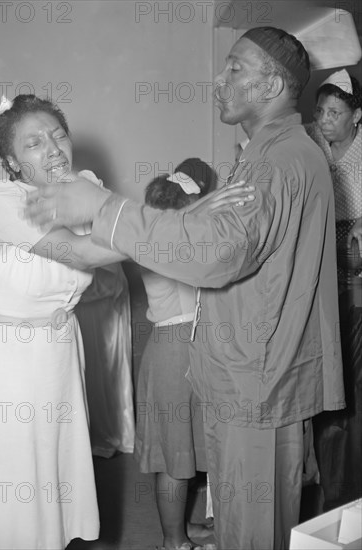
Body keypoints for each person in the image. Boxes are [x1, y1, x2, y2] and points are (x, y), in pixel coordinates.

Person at [24, 27, 346, 550]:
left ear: (271, 87)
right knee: (246, 524)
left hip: (256, 385)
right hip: (248, 377)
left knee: (254, 532)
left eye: (235, 68)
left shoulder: (280, 159)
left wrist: (103, 208)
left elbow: (218, 253)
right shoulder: (272, 152)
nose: (219, 79)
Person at [0, 95, 103, 550]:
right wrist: (180, 229)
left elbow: (108, 268)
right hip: (13, 360)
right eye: (35, 143)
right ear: (13, 163)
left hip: (60, 353)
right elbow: (78, 252)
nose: (54, 149)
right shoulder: (2, 199)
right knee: (16, 482)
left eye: (58, 135)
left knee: (54, 472)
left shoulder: (85, 188)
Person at [135, 159, 219, 550]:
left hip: (183, 348)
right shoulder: (160, 246)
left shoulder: (164, 240)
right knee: (175, 457)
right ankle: (172, 541)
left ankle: (183, 529)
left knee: (185, 450)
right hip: (174, 351)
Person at [305, 69, 362, 510]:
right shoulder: (308, 145)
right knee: (326, 385)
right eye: (321, 110)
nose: (325, 120)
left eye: (336, 113)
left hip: (357, 286)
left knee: (353, 390)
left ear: (357, 117)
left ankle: (347, 491)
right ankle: (330, 486)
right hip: (319, 278)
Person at [75, 261, 135, 458]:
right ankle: (89, 434)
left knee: (107, 367)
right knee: (88, 371)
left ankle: (109, 432)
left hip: (102, 309)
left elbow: (111, 282)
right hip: (78, 312)